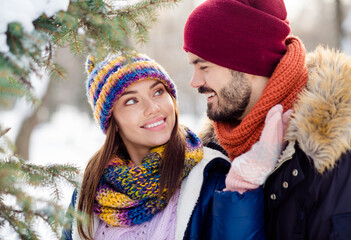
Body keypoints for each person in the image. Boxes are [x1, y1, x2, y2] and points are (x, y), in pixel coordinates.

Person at [183, 0, 351, 239]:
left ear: (247, 63)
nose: (194, 81)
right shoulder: (213, 156)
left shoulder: (338, 156)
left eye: (203, 66)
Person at [61, 52, 274, 240]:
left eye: (158, 92)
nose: (153, 108)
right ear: (113, 123)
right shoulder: (91, 188)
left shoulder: (210, 176)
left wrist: (240, 195)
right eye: (131, 101)